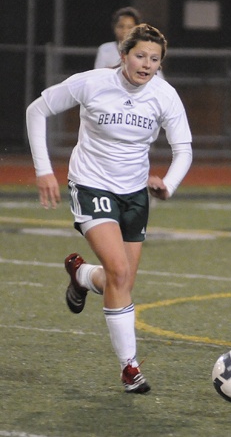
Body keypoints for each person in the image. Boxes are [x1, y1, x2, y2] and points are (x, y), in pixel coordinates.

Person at [26, 24, 193, 393]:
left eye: (154, 59)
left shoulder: (164, 95)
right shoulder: (92, 82)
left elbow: (184, 149)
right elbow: (37, 111)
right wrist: (43, 171)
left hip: (134, 194)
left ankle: (82, 276)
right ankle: (129, 368)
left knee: (121, 281)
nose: (146, 64)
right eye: (140, 55)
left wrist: (168, 184)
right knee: (119, 271)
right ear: (122, 55)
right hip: (90, 184)